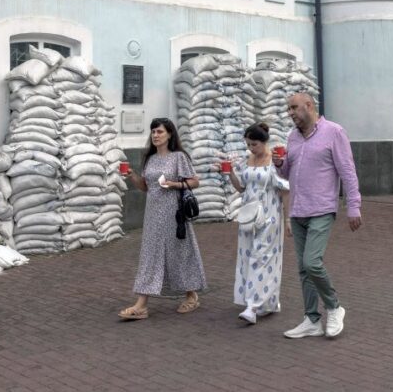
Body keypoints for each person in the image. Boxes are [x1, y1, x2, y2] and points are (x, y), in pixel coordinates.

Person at [273, 92, 363, 339]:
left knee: (312, 262)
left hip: (322, 209)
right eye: (288, 109)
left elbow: (347, 171)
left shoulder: (334, 132)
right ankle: (311, 319)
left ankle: (334, 307)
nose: (290, 113)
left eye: (293, 108)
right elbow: (286, 175)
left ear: (309, 106)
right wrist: (279, 164)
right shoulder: (292, 137)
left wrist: (353, 206)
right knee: (303, 268)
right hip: (298, 209)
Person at [119, 117, 207, 320]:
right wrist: (132, 175)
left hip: (173, 213)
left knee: (179, 252)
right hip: (152, 215)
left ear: (169, 134)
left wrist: (173, 184)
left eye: (159, 132)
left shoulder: (178, 157)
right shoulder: (150, 158)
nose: (156, 135)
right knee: (150, 256)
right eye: (153, 132)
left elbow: (194, 182)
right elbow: (146, 187)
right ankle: (141, 305)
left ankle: (191, 295)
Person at [227, 122, 289, 324]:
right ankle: (268, 301)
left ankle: (252, 306)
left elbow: (286, 189)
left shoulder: (276, 160)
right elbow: (242, 188)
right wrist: (229, 174)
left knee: (262, 256)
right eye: (248, 144)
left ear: (264, 142)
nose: (250, 148)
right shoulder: (249, 160)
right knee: (247, 255)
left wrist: (288, 218)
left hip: (270, 214)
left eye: (254, 144)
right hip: (248, 214)